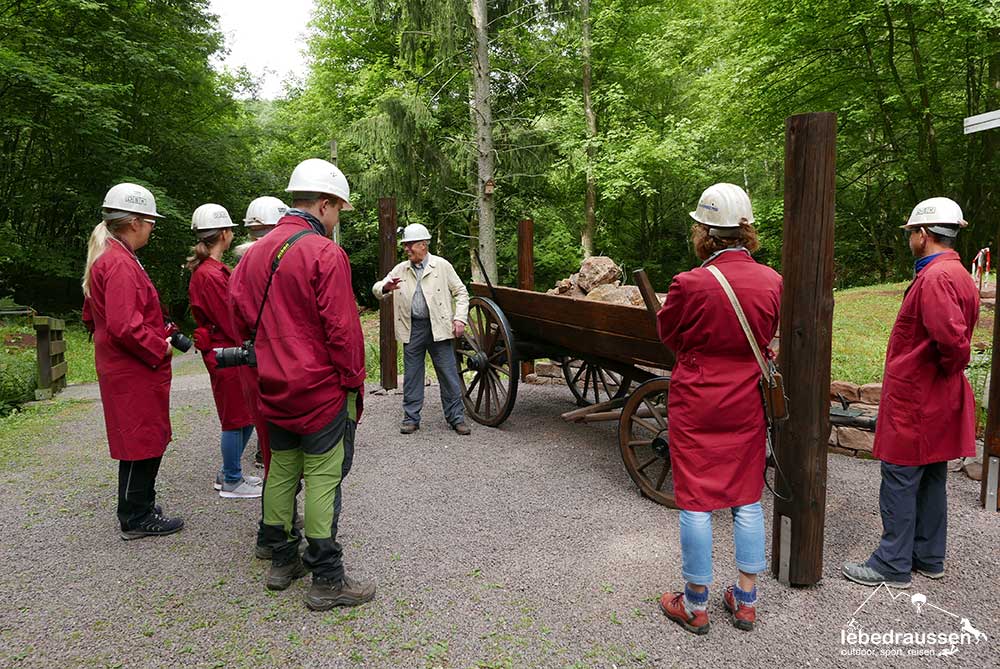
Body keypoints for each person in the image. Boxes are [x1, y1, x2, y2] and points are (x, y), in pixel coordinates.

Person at [229, 158, 374, 610]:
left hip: (271, 385)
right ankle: (327, 578)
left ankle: (281, 560)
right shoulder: (324, 253)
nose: (336, 221)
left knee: (282, 470)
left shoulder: (252, 254)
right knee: (324, 478)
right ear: (325, 204)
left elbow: (239, 318)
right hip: (318, 389)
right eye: (338, 211)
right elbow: (343, 330)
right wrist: (353, 382)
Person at [655, 183, 781, 635]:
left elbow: (669, 335)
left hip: (697, 403)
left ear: (704, 232)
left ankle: (695, 604)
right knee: (747, 498)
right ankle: (746, 600)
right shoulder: (773, 281)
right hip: (746, 402)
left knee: (697, 502)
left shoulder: (688, 283)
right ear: (746, 230)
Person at [843, 198, 978, 589]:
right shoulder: (957, 273)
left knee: (900, 476)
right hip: (934, 395)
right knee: (932, 474)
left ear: (923, 234)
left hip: (919, 396)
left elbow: (953, 342)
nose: (909, 240)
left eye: (910, 234)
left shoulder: (935, 278)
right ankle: (928, 556)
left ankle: (892, 563)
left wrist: (946, 369)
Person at [81, 183, 184, 540]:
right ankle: (137, 516)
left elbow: (93, 316)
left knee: (137, 439)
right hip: (135, 368)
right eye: (151, 222)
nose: (152, 228)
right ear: (135, 222)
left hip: (125, 367)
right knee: (143, 440)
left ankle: (135, 507)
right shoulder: (119, 262)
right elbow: (125, 325)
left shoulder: (109, 255)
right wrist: (161, 347)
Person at [187, 203, 262, 499]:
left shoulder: (212, 270)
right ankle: (231, 478)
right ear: (224, 234)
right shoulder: (210, 274)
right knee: (235, 417)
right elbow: (228, 316)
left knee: (245, 414)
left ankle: (229, 472)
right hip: (226, 350)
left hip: (227, 349)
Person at [372, 223, 471, 435]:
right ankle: (411, 418)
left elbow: (462, 293)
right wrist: (386, 287)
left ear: (423, 245)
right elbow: (378, 288)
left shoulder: (442, 266)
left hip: (439, 327)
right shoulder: (401, 269)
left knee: (448, 373)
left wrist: (460, 319)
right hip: (413, 328)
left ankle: (456, 418)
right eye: (405, 246)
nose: (406, 249)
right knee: (412, 375)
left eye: (410, 245)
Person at [234, 196, 287, 470]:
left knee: (264, 419)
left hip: (252, 356)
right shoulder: (280, 265)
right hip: (276, 357)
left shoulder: (241, 266)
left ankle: (263, 457)